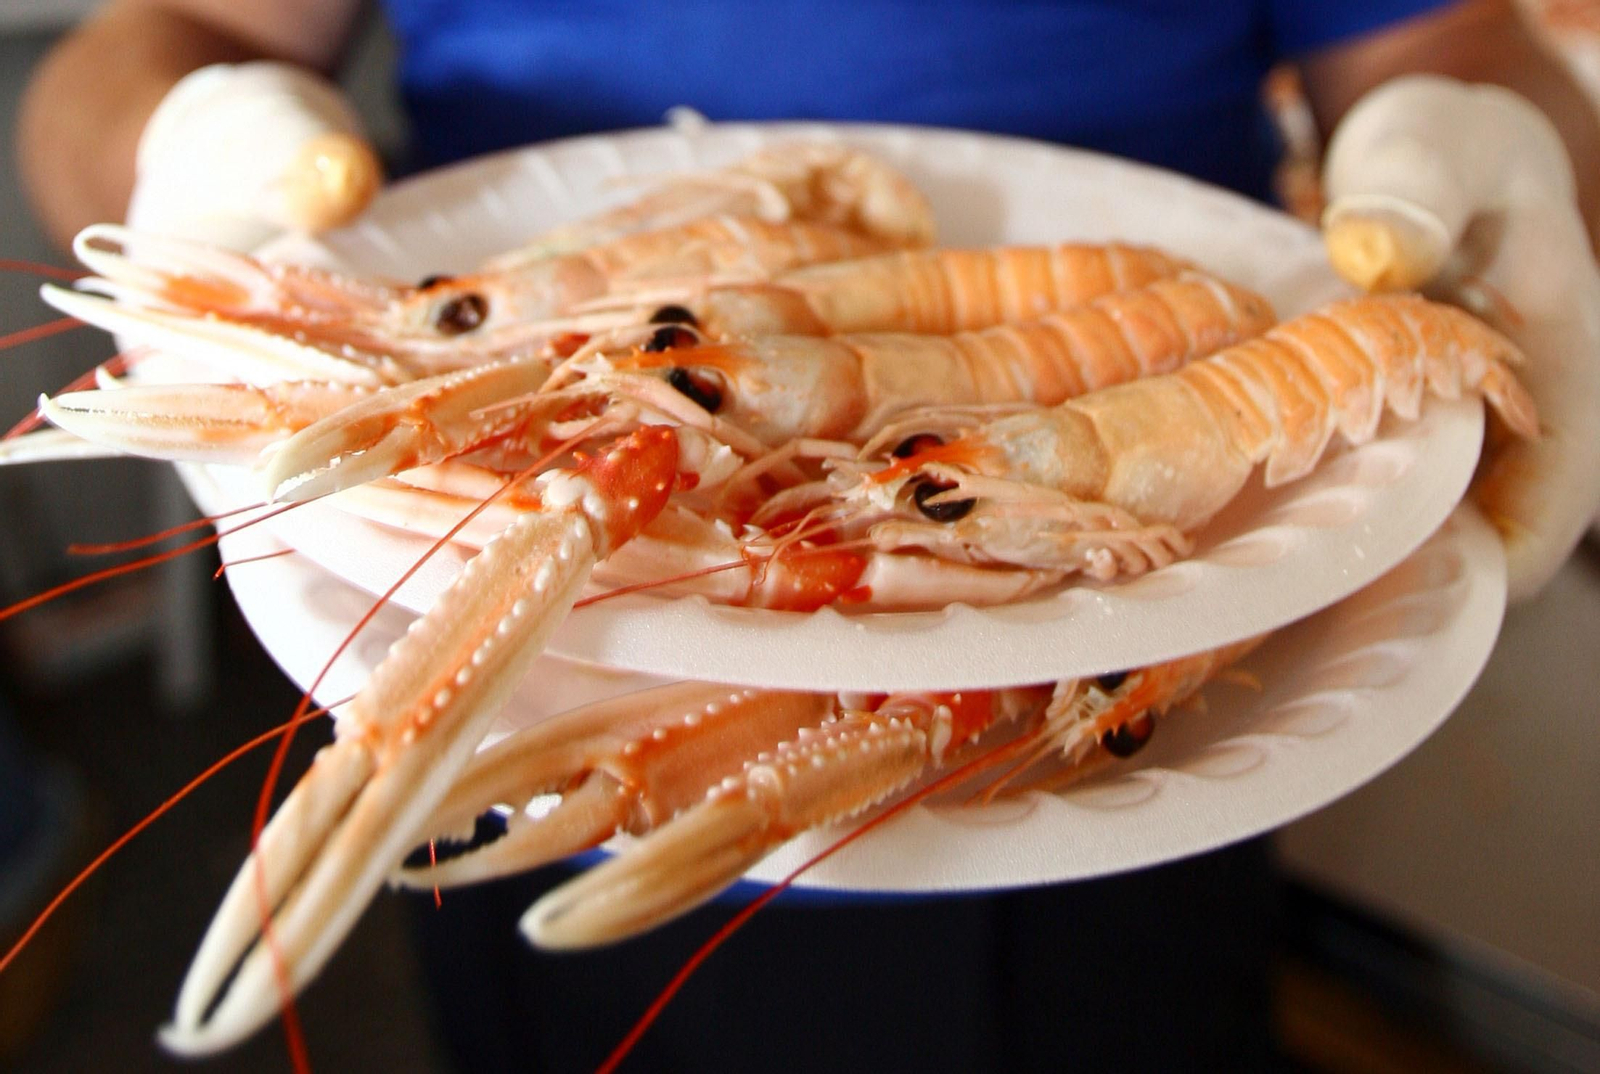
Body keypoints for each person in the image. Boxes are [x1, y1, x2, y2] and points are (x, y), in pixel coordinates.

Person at [13, 2, 1600, 1071]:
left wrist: (1499, 145)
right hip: (516, 715)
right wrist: (187, 134)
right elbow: (145, 43)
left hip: (1115, 793)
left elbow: (1445, 33)